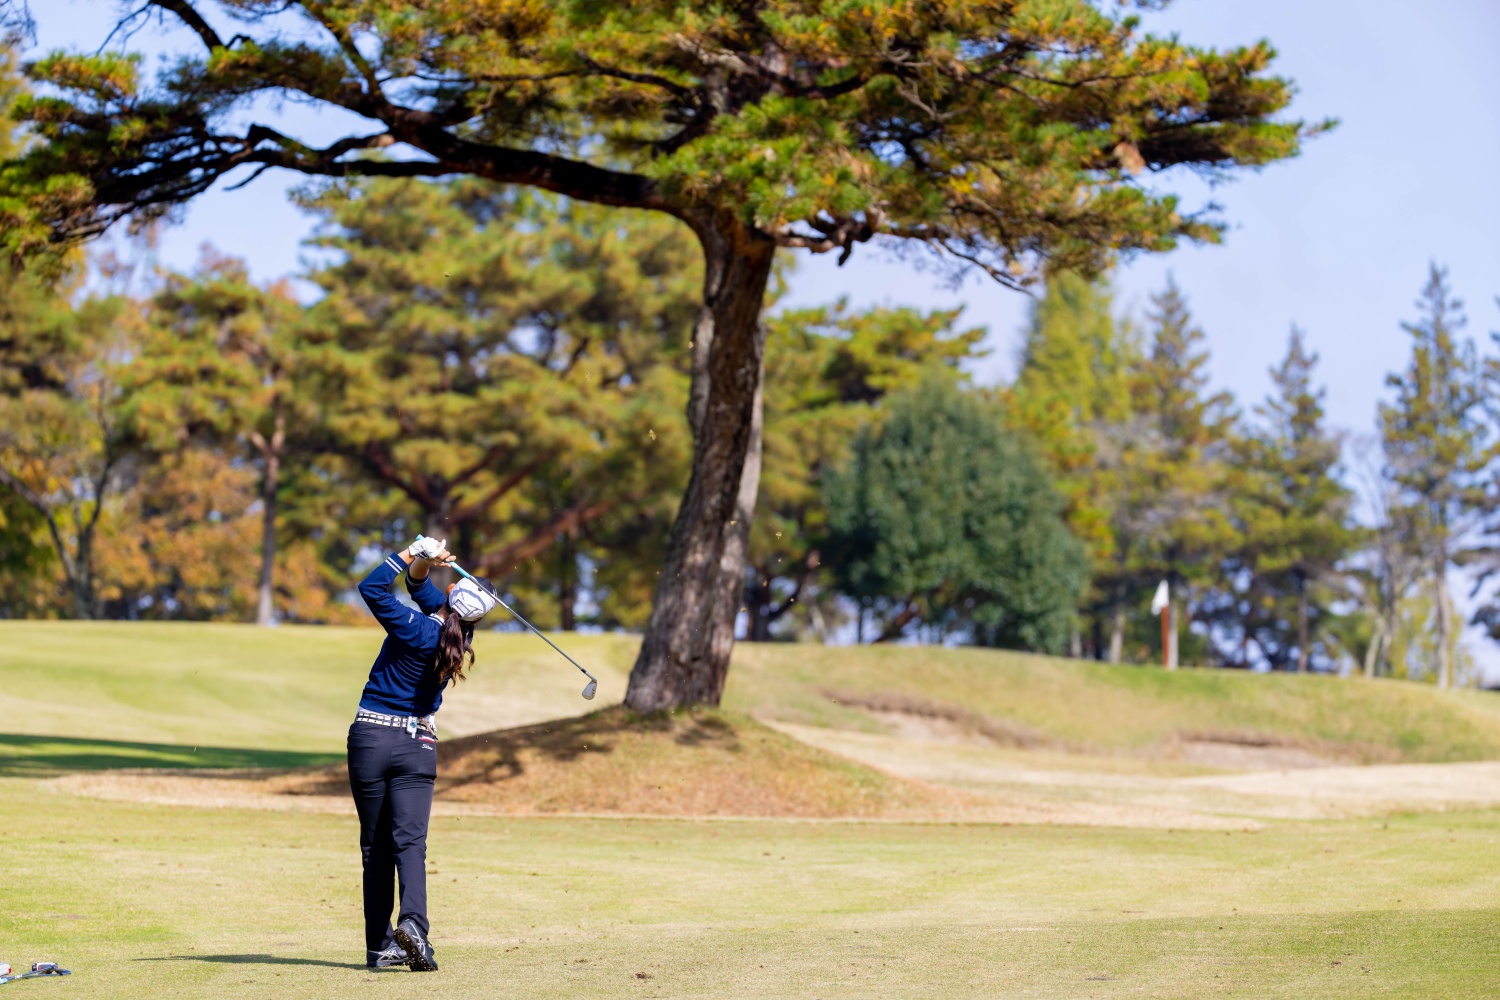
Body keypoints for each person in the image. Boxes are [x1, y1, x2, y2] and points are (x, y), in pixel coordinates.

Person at [350, 536, 496, 971]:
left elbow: (371, 587)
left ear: (452, 592)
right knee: (410, 844)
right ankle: (413, 925)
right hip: (419, 746)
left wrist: (411, 551)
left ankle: (380, 947)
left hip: (372, 739)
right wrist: (425, 563)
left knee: (375, 847)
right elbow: (417, 587)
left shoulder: (416, 627)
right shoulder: (459, 633)